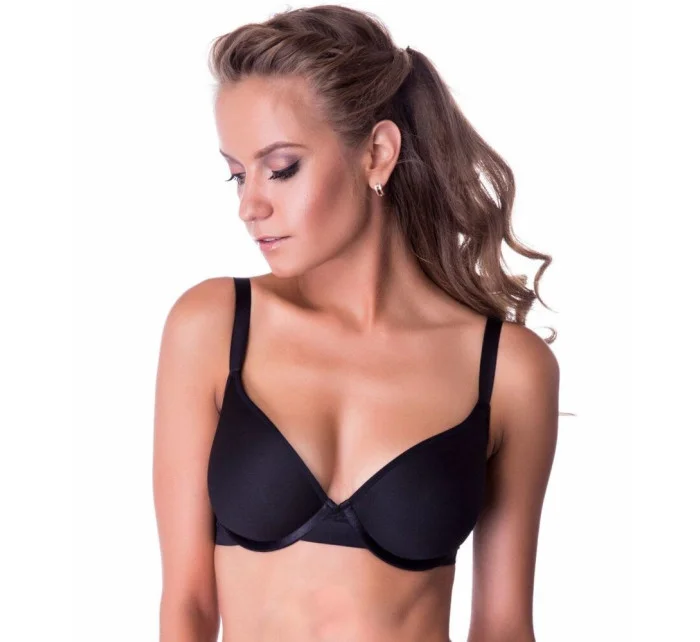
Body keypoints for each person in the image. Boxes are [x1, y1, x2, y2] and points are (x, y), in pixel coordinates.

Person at [153, 5, 560, 641]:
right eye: (236, 175)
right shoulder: (213, 327)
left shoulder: (508, 370)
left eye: (281, 169)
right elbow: (188, 607)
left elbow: (503, 626)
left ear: (376, 153)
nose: (250, 205)